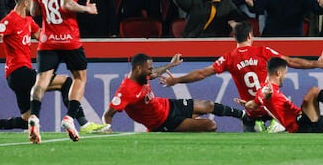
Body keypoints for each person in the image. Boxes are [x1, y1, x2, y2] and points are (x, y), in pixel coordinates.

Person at [0, 0, 108, 134]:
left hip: (17, 76)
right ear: (25, 3)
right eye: (33, 2)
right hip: (19, 72)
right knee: (67, 82)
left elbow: (43, 37)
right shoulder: (10, 20)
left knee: (26, 121)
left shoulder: (29, 21)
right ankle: (84, 123)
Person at [160, 21, 323, 132]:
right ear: (251, 35)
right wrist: (317, 64)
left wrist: (177, 80)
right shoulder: (263, 51)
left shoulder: (229, 58)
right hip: (274, 111)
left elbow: (201, 74)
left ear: (234, 38)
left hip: (251, 113)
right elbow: (290, 62)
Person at [28, 0, 98, 144]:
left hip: (47, 40)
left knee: (41, 80)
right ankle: (69, 118)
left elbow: (33, 11)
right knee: (80, 78)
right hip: (69, 39)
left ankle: (34, 116)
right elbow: (67, 4)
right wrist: (87, 9)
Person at [102, 53, 251, 132]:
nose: (151, 71)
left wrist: (172, 64)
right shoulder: (126, 90)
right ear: (138, 69)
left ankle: (244, 116)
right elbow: (108, 114)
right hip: (163, 122)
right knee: (210, 125)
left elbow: (155, 72)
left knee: (208, 105)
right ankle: (185, 125)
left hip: (168, 105)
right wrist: (107, 129)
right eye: (148, 68)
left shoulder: (142, 75)